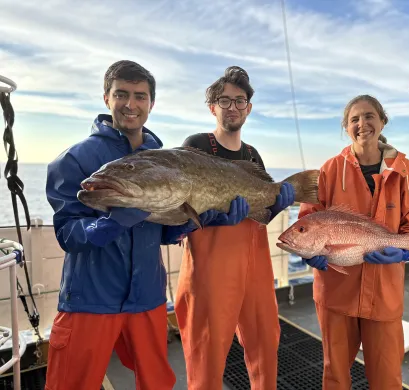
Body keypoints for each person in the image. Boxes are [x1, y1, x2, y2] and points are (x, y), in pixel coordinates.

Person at [44, 60, 240, 390]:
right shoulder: (73, 160)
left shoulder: (166, 160)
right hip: (89, 299)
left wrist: (198, 220)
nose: (131, 104)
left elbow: (164, 231)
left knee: (156, 382)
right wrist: (108, 224)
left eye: (140, 96)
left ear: (151, 103)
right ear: (106, 97)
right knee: (71, 383)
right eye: (121, 94)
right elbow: (67, 233)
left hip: (148, 297)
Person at [298, 95, 409, 390]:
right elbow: (307, 220)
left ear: (382, 121)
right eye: (354, 119)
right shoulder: (329, 170)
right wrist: (309, 254)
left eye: (369, 116)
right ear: (347, 128)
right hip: (336, 292)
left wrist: (405, 250)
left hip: (384, 292)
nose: (362, 124)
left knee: (387, 377)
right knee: (334, 374)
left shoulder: (406, 172)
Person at [174, 66, 295, 390]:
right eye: (224, 101)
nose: (232, 107)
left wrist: (278, 204)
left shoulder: (253, 155)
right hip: (210, 267)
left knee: (265, 341)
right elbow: (182, 208)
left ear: (248, 108)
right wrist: (211, 216)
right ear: (212, 107)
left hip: (254, 262)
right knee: (206, 351)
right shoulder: (195, 145)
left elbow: (262, 214)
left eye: (239, 101)